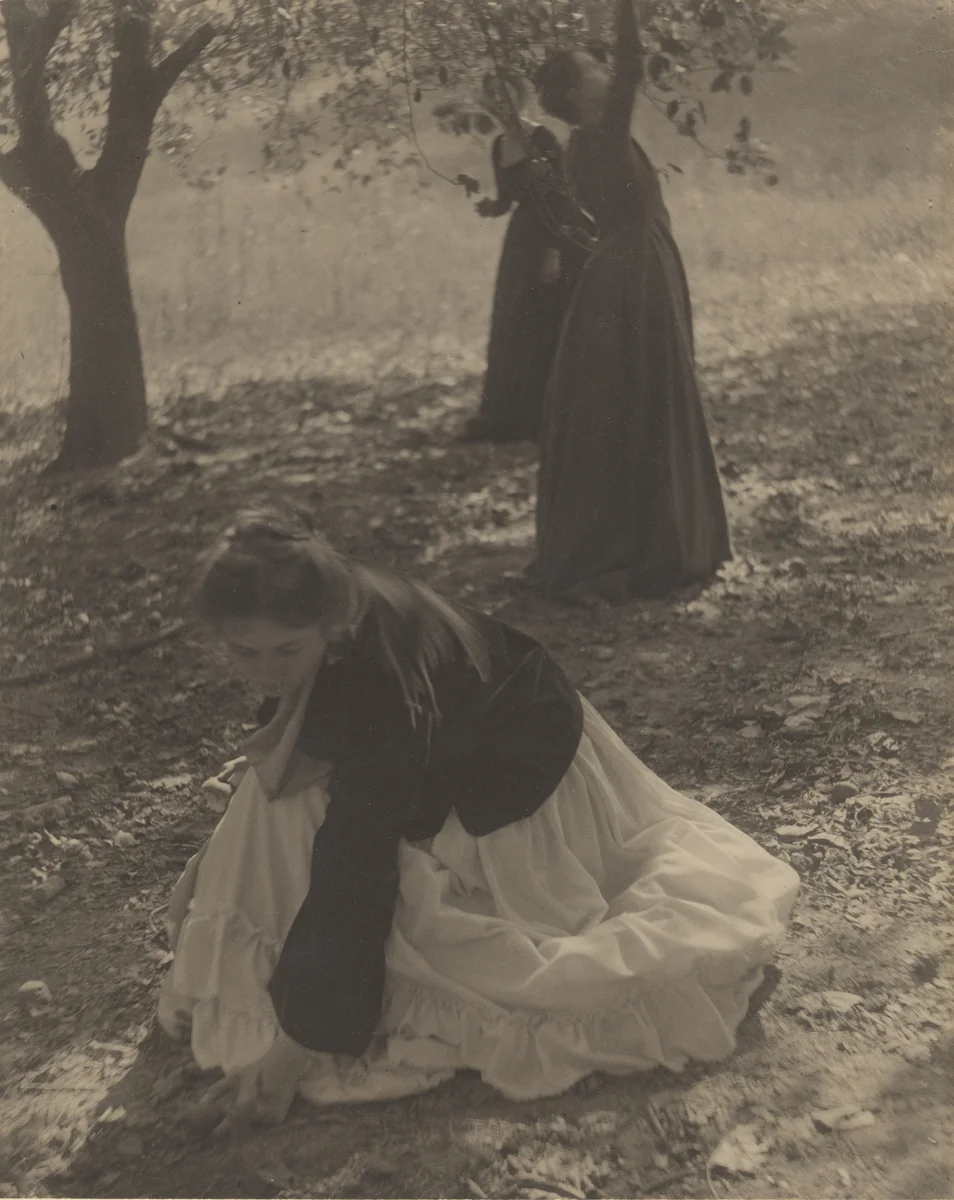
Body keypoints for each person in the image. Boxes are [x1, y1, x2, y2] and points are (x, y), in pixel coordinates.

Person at [158, 506, 798, 1125]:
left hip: (513, 759)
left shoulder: (374, 680)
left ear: (327, 626)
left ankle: (303, 1013)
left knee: (331, 852)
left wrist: (300, 1042)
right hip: (447, 729)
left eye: (284, 651)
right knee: (268, 807)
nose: (267, 670)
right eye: (246, 653)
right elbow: (309, 722)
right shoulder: (319, 601)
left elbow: (358, 860)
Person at [531, 0, 732, 601]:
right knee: (644, 396)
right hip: (633, 277)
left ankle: (651, 540)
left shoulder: (586, 140)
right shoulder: (599, 133)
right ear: (577, 92)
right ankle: (645, 548)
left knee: (641, 397)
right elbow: (632, 65)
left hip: (627, 271)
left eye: (597, 63)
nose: (600, 69)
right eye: (587, 67)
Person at [461, 72, 592, 444]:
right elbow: (509, 198)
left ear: (520, 98)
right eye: (493, 98)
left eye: (508, 95)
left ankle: (545, 416)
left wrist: (553, 253)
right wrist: (492, 207)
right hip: (520, 240)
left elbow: (561, 196)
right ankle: (511, 414)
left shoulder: (542, 138)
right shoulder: (500, 143)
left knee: (545, 320)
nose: (501, 103)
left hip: (553, 235)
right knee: (514, 320)